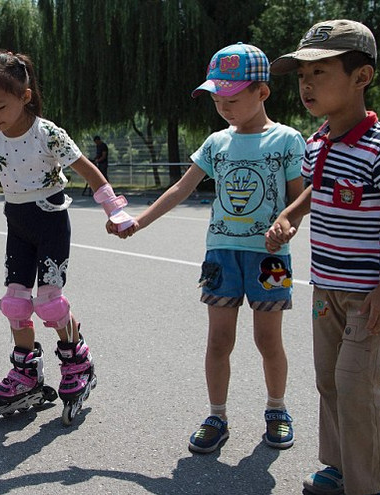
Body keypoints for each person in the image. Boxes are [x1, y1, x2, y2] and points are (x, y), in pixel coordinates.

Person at [108, 42, 305, 454]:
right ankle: (217, 414)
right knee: (218, 341)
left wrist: (287, 226)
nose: (224, 107)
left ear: (262, 92)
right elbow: (182, 188)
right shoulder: (216, 143)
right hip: (221, 254)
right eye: (217, 100)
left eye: (232, 98)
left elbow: (296, 199)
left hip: (270, 258)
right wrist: (138, 221)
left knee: (268, 341)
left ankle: (277, 409)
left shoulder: (287, 140)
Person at [266, 20, 380, 495]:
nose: (307, 84)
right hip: (325, 288)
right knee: (329, 381)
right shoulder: (318, 143)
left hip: (369, 295)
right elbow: (315, 189)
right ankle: (339, 464)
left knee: (358, 385)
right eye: (302, 74)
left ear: (362, 77)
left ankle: (372, 486)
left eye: (321, 72)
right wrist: (292, 214)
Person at [0, 49, 129, 423]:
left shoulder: (47, 133)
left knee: (50, 303)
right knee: (16, 303)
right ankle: (26, 372)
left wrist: (115, 210)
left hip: (51, 218)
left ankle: (76, 361)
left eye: (0, 106)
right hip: (17, 222)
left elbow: (90, 172)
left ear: (25, 96)